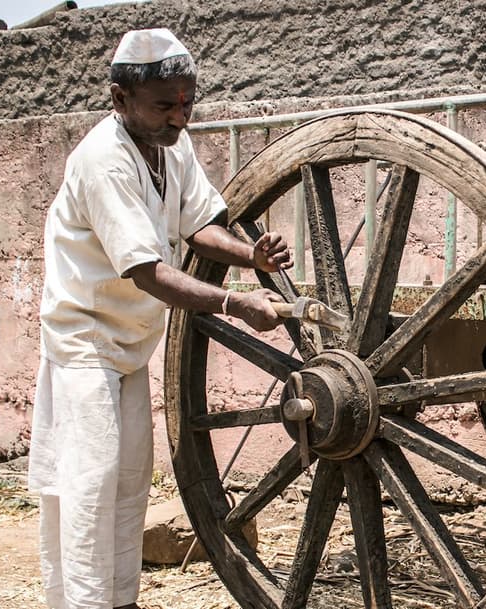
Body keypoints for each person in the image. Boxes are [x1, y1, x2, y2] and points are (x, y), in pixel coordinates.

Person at [27, 28, 290, 609]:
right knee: (91, 483)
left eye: (187, 104)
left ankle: (121, 600)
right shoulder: (103, 160)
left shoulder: (172, 144)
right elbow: (146, 271)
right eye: (165, 105)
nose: (179, 117)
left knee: (129, 482)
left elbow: (199, 225)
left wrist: (251, 256)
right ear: (120, 100)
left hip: (130, 343)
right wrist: (233, 302)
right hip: (84, 341)